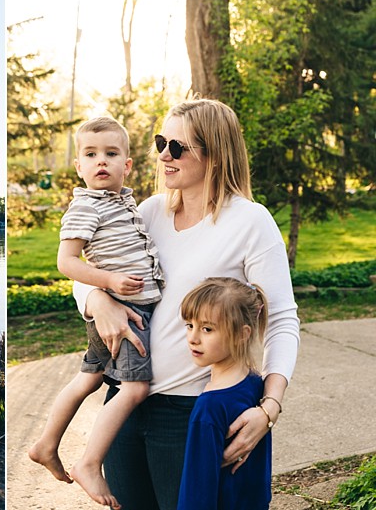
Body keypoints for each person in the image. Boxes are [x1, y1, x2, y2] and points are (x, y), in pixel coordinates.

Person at [75, 98, 299, 510]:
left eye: (177, 147)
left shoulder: (251, 221)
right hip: (124, 400)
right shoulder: (146, 212)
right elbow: (88, 268)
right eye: (162, 142)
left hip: (192, 412)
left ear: (214, 154)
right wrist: (94, 298)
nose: (163, 155)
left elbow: (281, 319)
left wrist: (269, 407)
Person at [29, 116, 163, 509]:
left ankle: (46, 443)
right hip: (125, 310)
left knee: (89, 378)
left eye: (111, 153)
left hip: (122, 305)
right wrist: (109, 281)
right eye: (91, 154)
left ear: (128, 164)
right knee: (135, 388)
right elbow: (66, 262)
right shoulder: (86, 206)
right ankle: (89, 462)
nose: (101, 161)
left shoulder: (122, 201)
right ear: (79, 167)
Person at [177, 277, 273, 509]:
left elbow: (196, 493)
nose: (193, 338)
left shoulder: (209, 407)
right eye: (190, 325)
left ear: (242, 334)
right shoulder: (255, 383)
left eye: (207, 329)